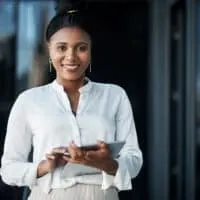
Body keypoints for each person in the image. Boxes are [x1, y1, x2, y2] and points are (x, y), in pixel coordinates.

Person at [0, 0, 143, 199]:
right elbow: (8, 169)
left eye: (81, 48)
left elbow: (134, 159)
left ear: (91, 50)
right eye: (62, 48)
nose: (71, 56)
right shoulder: (29, 101)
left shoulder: (115, 96)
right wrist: (44, 166)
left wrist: (106, 163)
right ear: (49, 49)